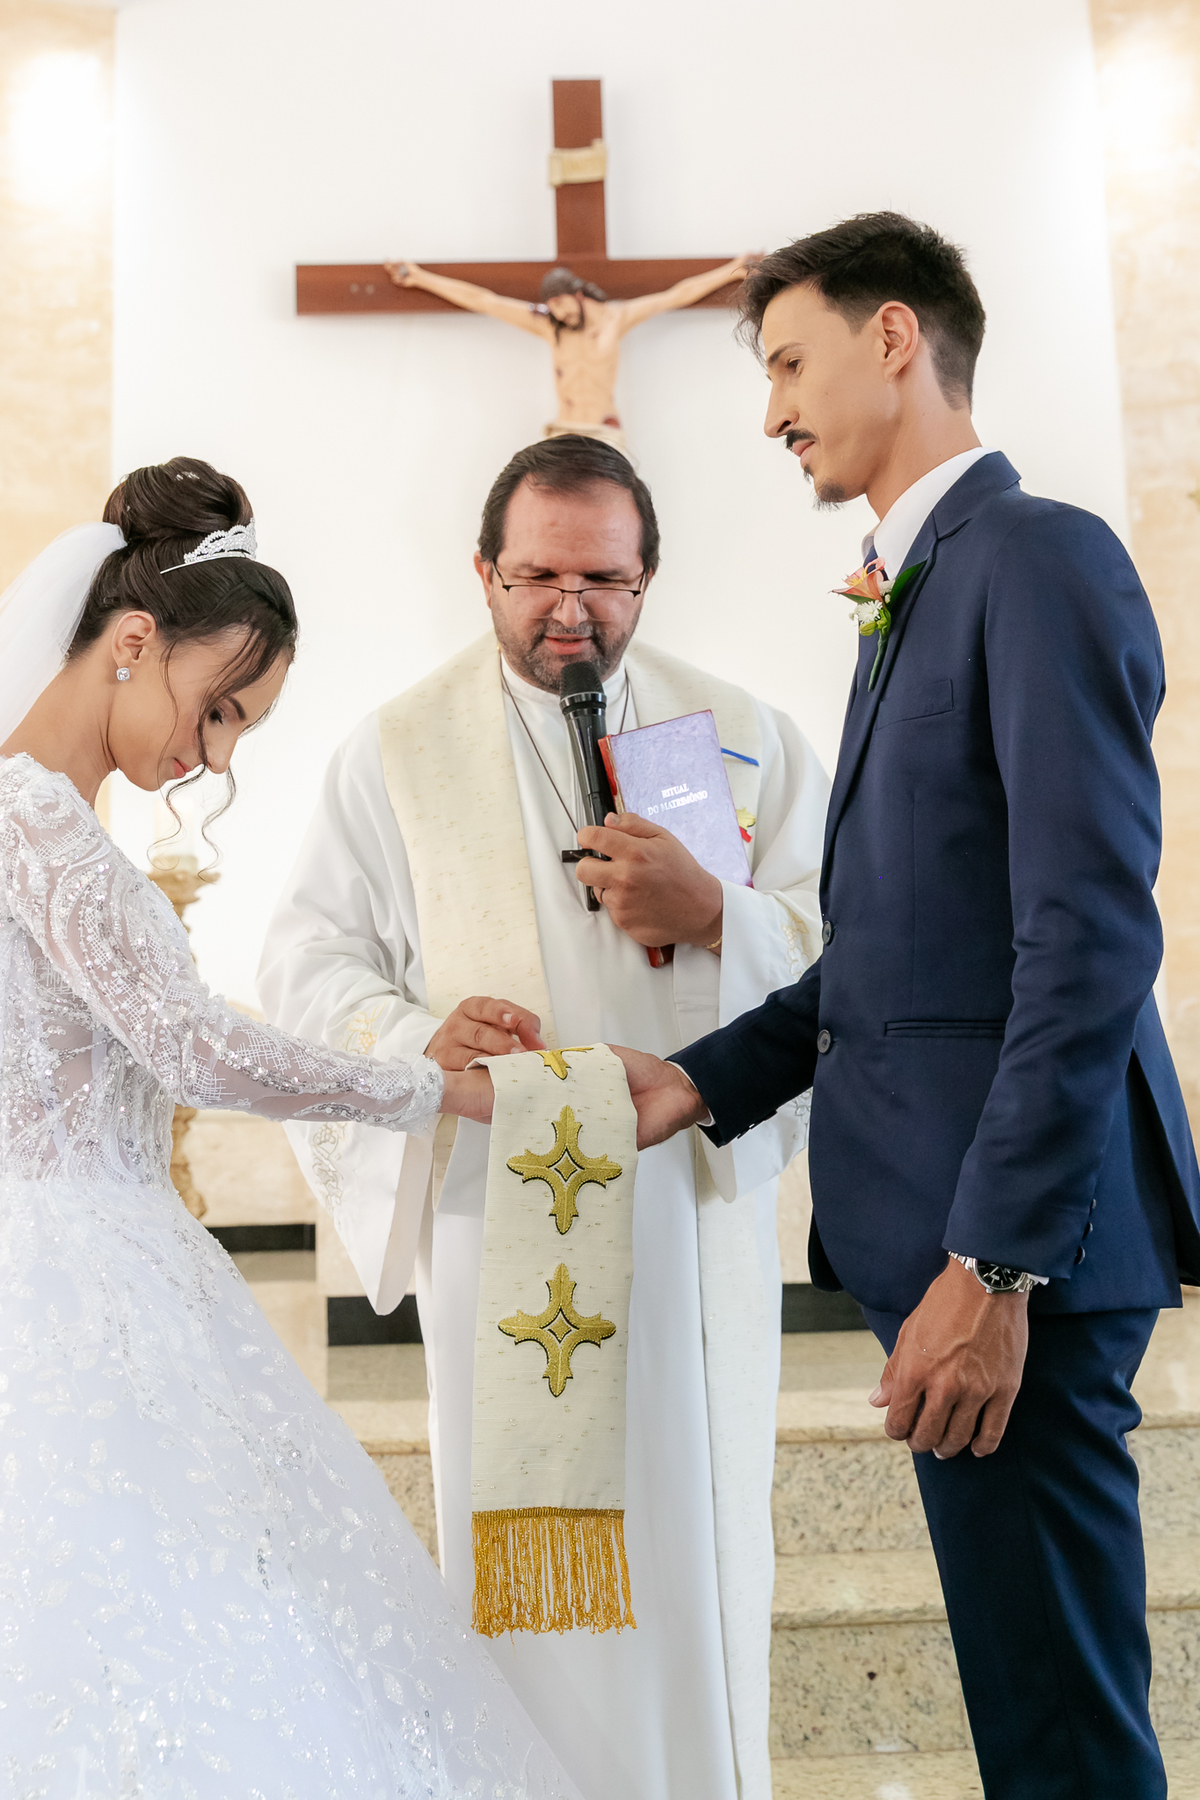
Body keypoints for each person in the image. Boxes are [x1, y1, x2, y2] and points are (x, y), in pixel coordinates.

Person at [613, 213, 1200, 1800]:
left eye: (788, 363)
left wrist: (995, 1264)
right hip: (950, 1230)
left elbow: (1087, 934)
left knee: (1063, 1724)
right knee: (1028, 1696)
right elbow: (905, 950)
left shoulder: (1037, 557)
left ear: (891, 337)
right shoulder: (924, 584)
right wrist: (696, 1080)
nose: (772, 410)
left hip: (1012, 1249)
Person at [258, 433, 830, 1800]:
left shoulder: (741, 738)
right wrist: (419, 1037)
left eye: (605, 579)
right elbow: (306, 966)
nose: (571, 608)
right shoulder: (396, 753)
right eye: (538, 576)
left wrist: (718, 915)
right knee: (521, 1571)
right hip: (499, 1211)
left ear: (649, 580)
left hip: (686, 1208)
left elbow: (849, 947)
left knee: (688, 1541)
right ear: (484, 572)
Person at [0, 456, 579, 1800]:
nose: (212, 758)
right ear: (132, 641)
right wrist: (429, 1084)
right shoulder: (39, 822)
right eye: (218, 711)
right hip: (73, 1269)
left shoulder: (45, 821)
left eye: (241, 733)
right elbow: (197, 1049)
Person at [385, 259, 752, 449]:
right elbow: (485, 301)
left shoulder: (616, 318)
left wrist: (733, 269)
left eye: (561, 304)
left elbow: (676, 295)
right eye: (553, 308)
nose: (559, 315)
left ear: (578, 295)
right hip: (563, 430)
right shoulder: (549, 326)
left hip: (604, 431)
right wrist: (420, 277)